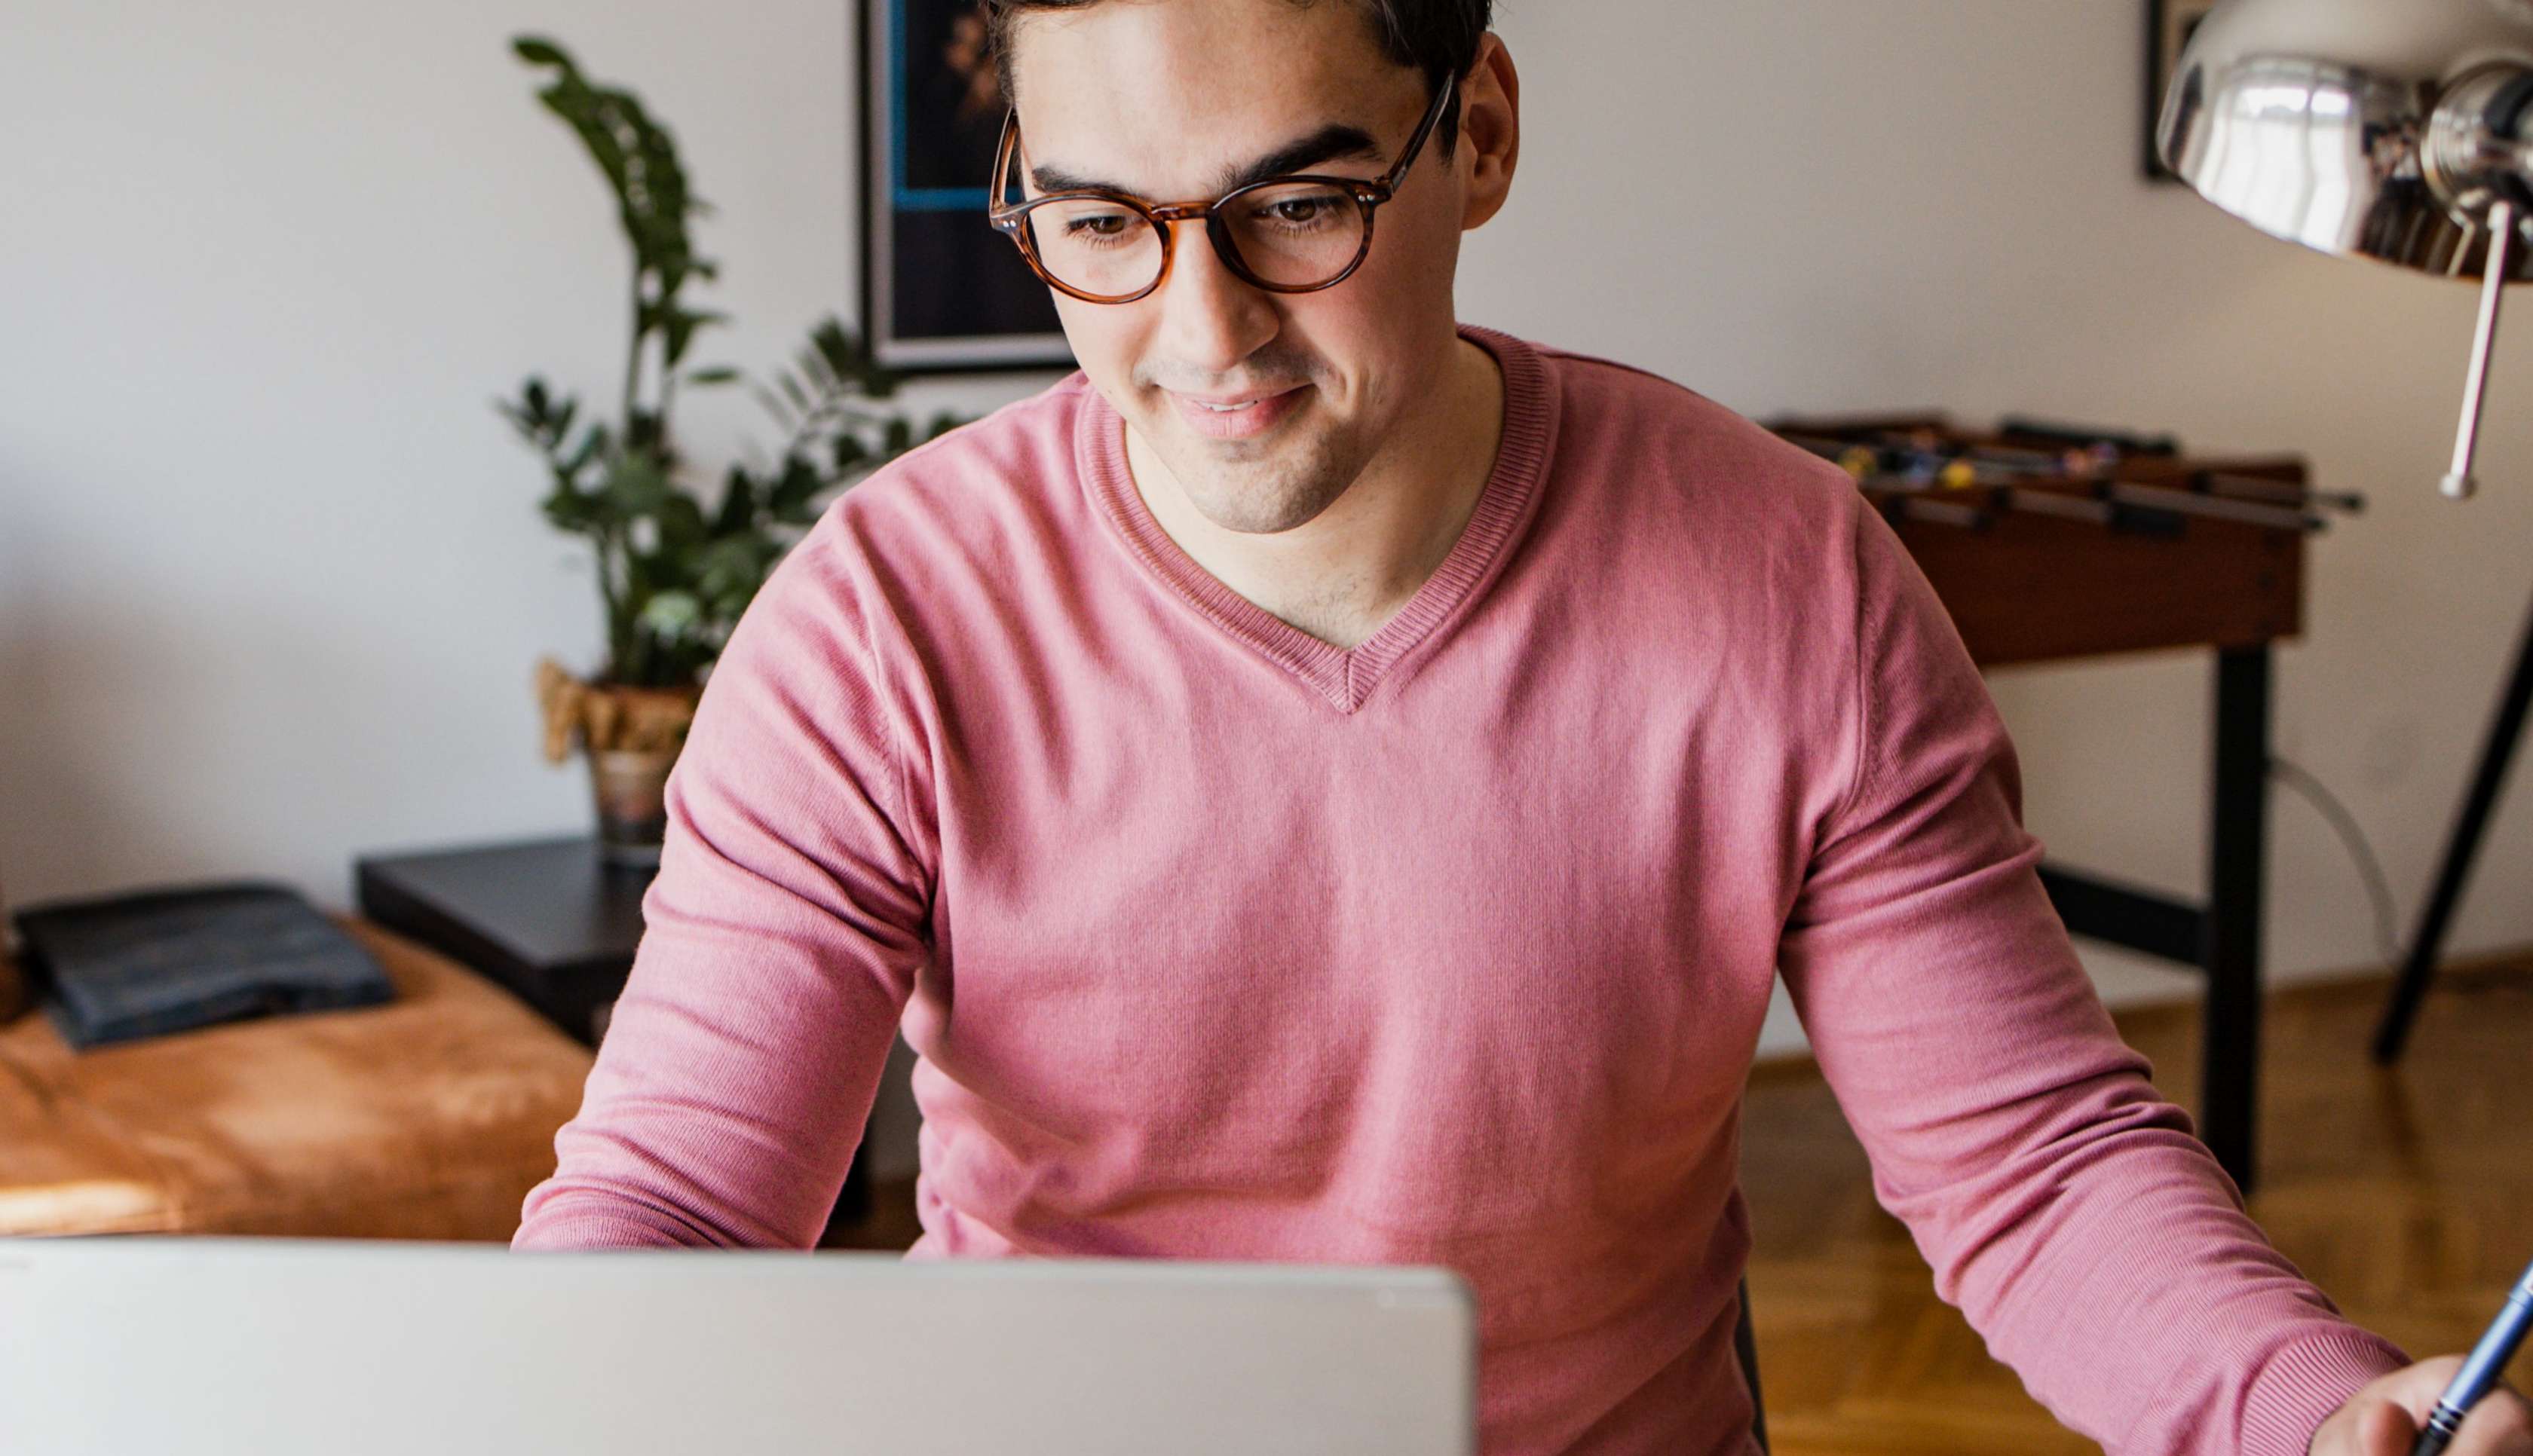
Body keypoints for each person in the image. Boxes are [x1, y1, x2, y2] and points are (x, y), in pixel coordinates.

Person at [512, 2, 2533, 1452]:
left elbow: (2031, 1162)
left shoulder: (1784, 578)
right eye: (1101, 223)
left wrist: (2304, 1401)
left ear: (1476, 127)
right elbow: (684, 1212)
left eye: (1297, 205)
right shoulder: (880, 624)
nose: (1200, 336)